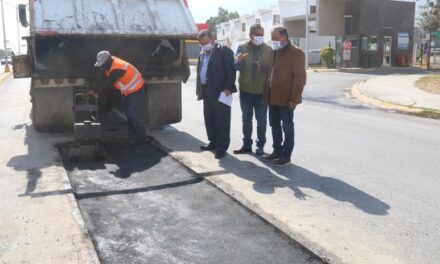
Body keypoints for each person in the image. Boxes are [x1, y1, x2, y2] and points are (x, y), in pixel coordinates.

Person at [262, 27, 307, 166]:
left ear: (285, 37)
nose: (273, 41)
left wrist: (294, 98)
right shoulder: (274, 52)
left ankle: (286, 156)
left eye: (275, 38)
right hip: (272, 97)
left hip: (287, 99)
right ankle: (277, 151)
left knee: (287, 127)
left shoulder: (296, 52)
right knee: (274, 126)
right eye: (272, 38)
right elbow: (271, 73)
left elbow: (300, 78)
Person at [196, 30, 237, 159]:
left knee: (222, 120)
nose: (204, 45)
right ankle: (213, 142)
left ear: (212, 39)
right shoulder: (202, 53)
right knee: (210, 118)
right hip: (207, 90)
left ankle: (221, 147)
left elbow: (231, 70)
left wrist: (228, 87)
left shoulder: (223, 50)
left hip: (221, 92)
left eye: (206, 42)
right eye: (202, 43)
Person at [91, 51, 146, 145]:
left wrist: (98, 94)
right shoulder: (108, 64)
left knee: (132, 112)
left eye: (102, 64)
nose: (101, 66)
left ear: (108, 61)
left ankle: (141, 137)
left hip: (136, 89)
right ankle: (132, 135)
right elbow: (101, 77)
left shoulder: (118, 68)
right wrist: (93, 89)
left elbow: (108, 84)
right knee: (128, 113)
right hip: (127, 90)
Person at [233, 24, 272, 156]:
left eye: (261, 34)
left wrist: (264, 68)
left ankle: (260, 146)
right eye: (257, 34)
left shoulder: (269, 50)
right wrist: (238, 61)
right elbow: (237, 67)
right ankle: (247, 145)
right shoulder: (242, 48)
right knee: (246, 120)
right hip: (246, 92)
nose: (259, 37)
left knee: (261, 121)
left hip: (262, 92)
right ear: (250, 35)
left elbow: (273, 69)